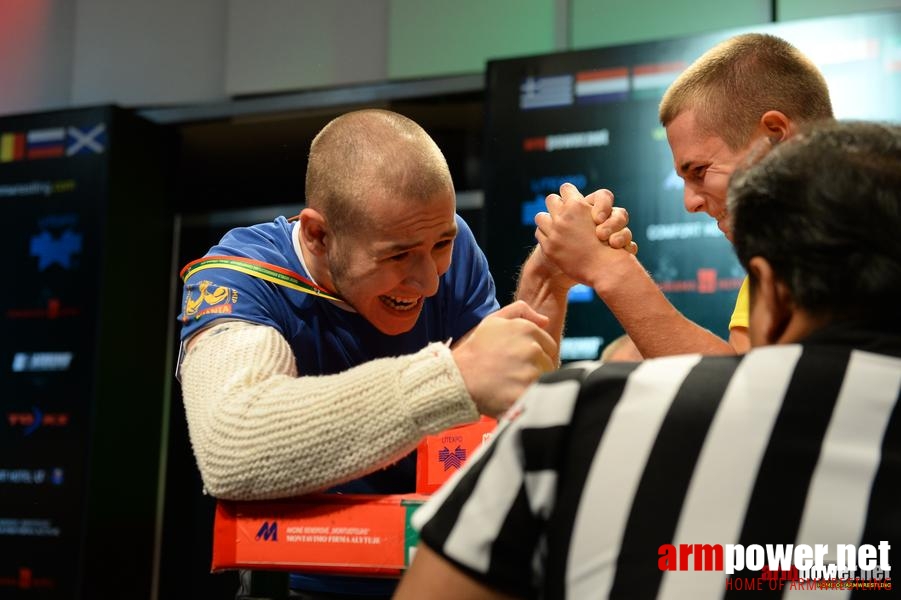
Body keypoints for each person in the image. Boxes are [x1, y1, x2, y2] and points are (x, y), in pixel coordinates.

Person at [396, 120, 901, 600]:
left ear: (773, 297)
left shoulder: (568, 417)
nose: (692, 200)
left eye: (699, 172)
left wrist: (602, 270)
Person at [176, 108, 633, 598]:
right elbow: (233, 448)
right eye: (397, 255)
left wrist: (546, 283)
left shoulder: (443, 242)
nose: (429, 279)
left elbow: (507, 407)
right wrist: (451, 376)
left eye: (441, 245)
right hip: (303, 580)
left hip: (436, 572)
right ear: (318, 234)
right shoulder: (241, 276)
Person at [537, 33, 834, 358]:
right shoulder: (777, 257)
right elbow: (750, 382)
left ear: (775, 137)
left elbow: (744, 399)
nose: (690, 203)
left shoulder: (872, 235)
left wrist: (610, 269)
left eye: (700, 171)